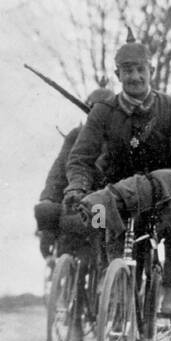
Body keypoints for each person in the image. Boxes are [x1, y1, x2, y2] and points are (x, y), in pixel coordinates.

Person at [64, 37, 171, 317]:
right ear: (118, 75)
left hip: (167, 193)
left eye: (141, 69)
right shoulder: (104, 112)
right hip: (118, 196)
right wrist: (77, 187)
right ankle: (113, 285)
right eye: (127, 70)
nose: (135, 76)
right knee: (101, 228)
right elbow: (80, 157)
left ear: (151, 70)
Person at [34, 89, 112, 259]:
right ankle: (66, 274)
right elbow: (58, 173)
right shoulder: (76, 136)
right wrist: (48, 201)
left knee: (100, 242)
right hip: (77, 206)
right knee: (65, 235)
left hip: (102, 210)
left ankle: (98, 272)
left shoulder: (118, 139)